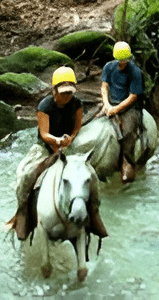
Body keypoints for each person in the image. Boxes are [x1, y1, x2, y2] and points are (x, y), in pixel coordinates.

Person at [9, 66, 107, 241]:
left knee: (90, 175)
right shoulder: (44, 105)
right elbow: (45, 134)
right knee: (25, 174)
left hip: (69, 145)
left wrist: (71, 138)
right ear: (54, 90)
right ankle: (22, 213)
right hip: (45, 146)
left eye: (70, 92)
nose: (67, 96)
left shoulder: (77, 103)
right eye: (63, 93)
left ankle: (94, 213)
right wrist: (56, 141)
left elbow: (77, 126)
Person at [98, 41, 144, 183]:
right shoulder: (108, 67)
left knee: (128, 132)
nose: (122, 62)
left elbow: (133, 96)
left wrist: (116, 109)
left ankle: (127, 161)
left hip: (129, 107)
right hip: (110, 103)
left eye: (125, 59)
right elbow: (104, 87)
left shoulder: (135, 71)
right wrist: (106, 104)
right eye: (120, 59)